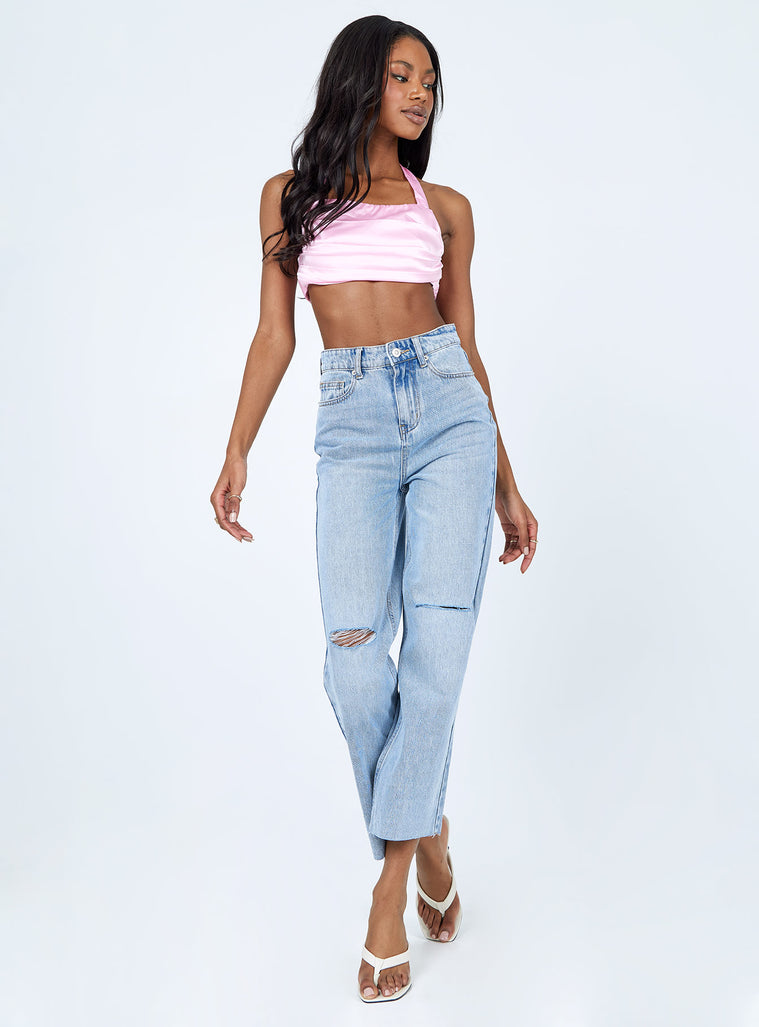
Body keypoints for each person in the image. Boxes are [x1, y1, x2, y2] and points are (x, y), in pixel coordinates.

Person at [209, 14, 538, 1003]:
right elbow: (276, 335)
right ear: (360, 79)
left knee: (433, 663)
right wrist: (236, 445)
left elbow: (466, 346)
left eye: (429, 81)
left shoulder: (447, 209)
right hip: (349, 421)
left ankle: (388, 891)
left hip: (449, 416)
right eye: (402, 75)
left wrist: (505, 481)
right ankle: (426, 831)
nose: (420, 93)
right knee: (355, 662)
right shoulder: (289, 198)